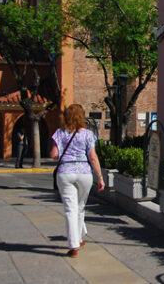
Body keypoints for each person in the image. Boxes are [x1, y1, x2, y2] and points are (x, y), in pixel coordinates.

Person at [50, 103, 104, 257]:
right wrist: (100, 176)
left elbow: (54, 155)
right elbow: (93, 157)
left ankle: (74, 245)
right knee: (80, 207)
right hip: (84, 172)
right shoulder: (87, 134)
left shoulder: (60, 133)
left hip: (65, 172)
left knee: (70, 209)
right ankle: (79, 239)